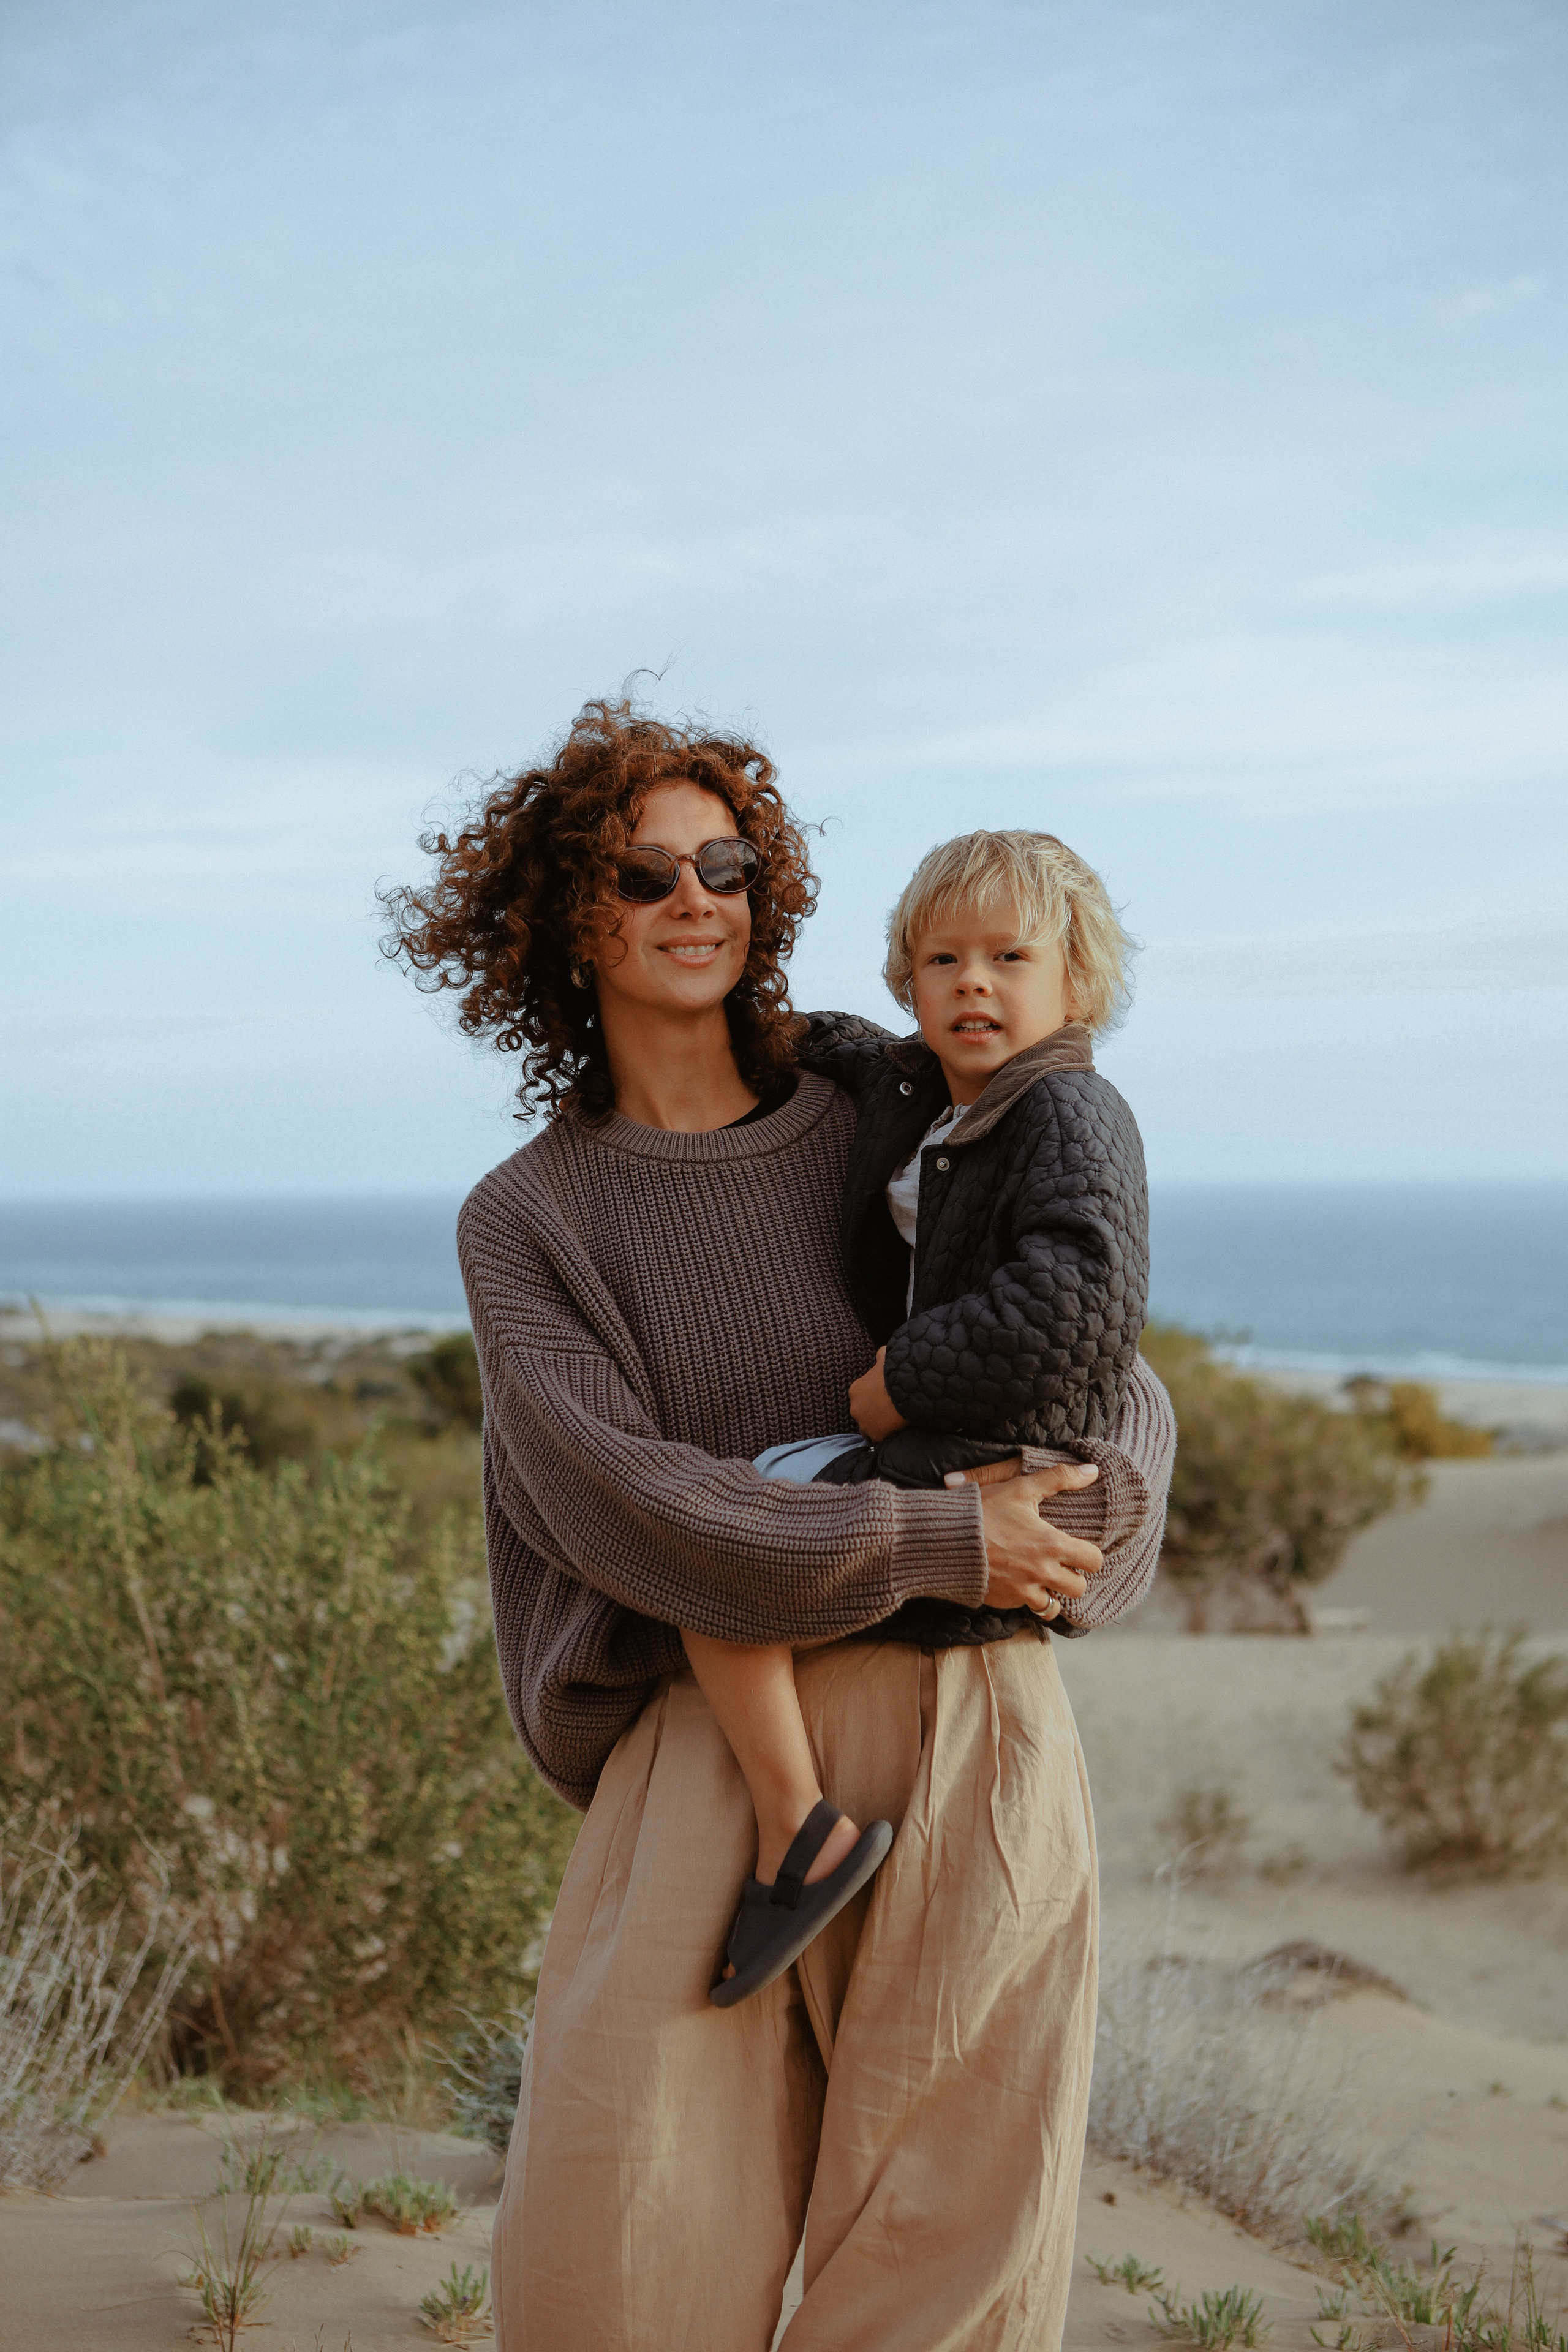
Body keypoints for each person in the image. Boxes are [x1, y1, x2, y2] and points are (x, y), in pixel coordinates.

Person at [385, 698, 1176, 2352]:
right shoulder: (532, 1219)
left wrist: (1087, 1519)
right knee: (617, 2264)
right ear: (559, 917)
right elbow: (627, 1501)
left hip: (972, 1723)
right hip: (701, 1749)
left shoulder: (882, 1102)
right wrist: (951, 1539)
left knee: (947, 2266)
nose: (696, 900)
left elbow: (1099, 1352)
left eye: (725, 864)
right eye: (642, 871)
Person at [687, 828, 1148, 2008]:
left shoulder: (1070, 1116)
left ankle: (803, 1836)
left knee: (719, 1554)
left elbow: (1077, 1305)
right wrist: (734, 1009)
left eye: (1009, 957)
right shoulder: (927, 1094)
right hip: (935, 1443)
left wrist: (901, 1381)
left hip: (995, 1445)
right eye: (940, 961)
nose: (973, 984)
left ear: (1077, 980)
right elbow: (849, 1050)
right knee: (743, 1505)